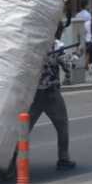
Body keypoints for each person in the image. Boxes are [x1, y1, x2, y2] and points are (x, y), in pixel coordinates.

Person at [28, 24, 76, 170]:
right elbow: (68, 65)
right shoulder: (57, 45)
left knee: (24, 130)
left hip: (34, 94)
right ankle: (63, 159)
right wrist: (74, 58)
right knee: (62, 127)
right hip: (51, 93)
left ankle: (11, 161)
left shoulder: (32, 44)